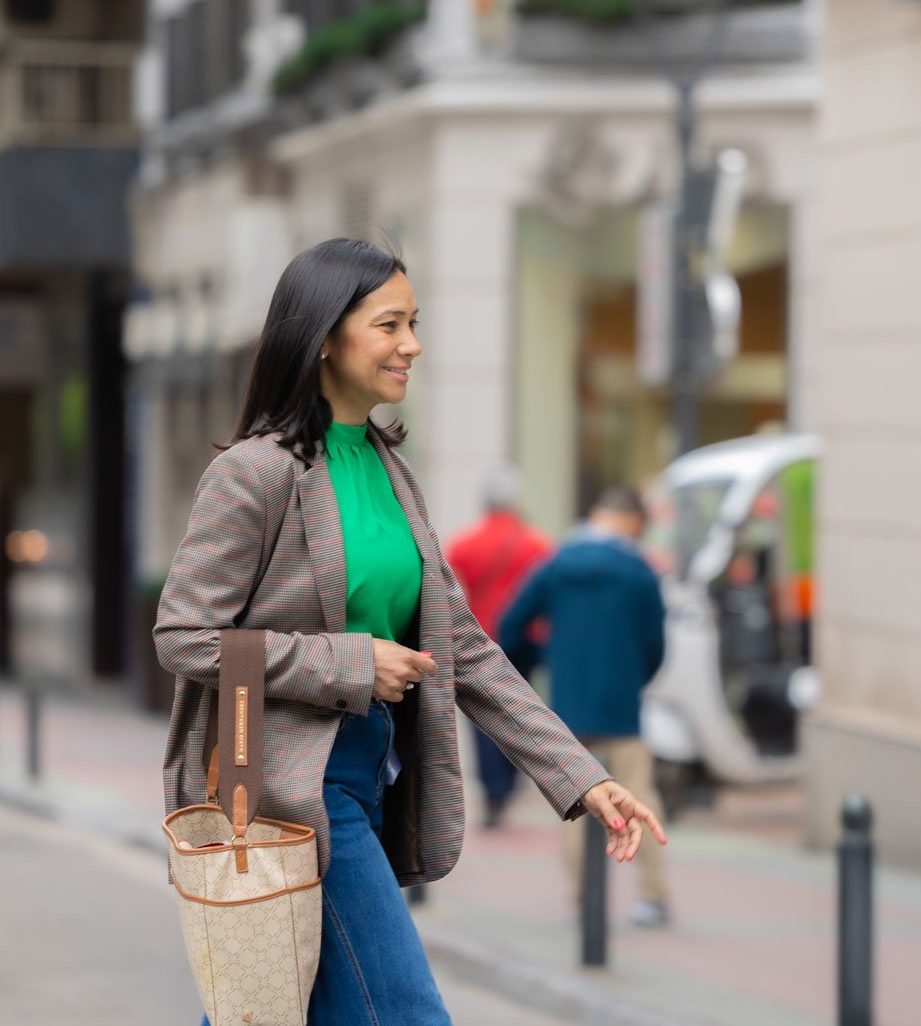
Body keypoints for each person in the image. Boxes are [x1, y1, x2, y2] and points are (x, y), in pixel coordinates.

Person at [154, 239, 666, 1026]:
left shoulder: (392, 472)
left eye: (414, 323)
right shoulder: (257, 473)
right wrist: (351, 663)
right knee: (403, 1012)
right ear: (326, 334)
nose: (412, 345)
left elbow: (461, 646)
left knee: (278, 1012)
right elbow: (183, 635)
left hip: (370, 774)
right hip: (293, 790)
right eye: (390, 324)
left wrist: (581, 778)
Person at [499, 486, 671, 928]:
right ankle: (653, 896)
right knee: (639, 796)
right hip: (622, 707)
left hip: (568, 708)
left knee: (574, 800)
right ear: (632, 521)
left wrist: (540, 665)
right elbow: (656, 644)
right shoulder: (639, 572)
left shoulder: (556, 564)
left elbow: (511, 625)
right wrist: (636, 678)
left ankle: (583, 900)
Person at [446, 469, 552, 827]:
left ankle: (493, 792)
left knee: (483, 717)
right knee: (520, 708)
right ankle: (511, 781)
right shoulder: (537, 544)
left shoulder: (465, 543)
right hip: (524, 640)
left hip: (481, 637)